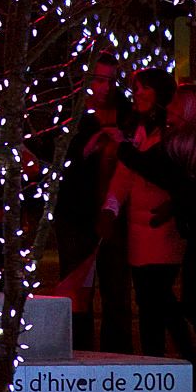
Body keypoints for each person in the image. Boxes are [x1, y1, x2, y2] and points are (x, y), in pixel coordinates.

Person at [116, 84, 196, 392]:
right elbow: (192, 188)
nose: (169, 107)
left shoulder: (184, 143)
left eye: (175, 103)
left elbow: (157, 169)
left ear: (188, 110)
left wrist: (122, 146)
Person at [100, 67, 193, 360]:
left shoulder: (172, 132)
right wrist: (110, 208)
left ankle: (187, 356)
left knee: (160, 297)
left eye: (144, 88)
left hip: (163, 227)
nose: (137, 93)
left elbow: (159, 170)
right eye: (135, 88)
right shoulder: (137, 130)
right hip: (139, 231)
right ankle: (155, 360)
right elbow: (124, 176)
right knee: (146, 299)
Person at [50, 55, 133, 351]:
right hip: (76, 213)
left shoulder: (127, 113)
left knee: (117, 290)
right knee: (76, 288)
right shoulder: (71, 115)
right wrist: (88, 148)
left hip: (116, 214)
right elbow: (56, 161)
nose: (106, 88)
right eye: (99, 80)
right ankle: (79, 349)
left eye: (111, 80)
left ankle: (118, 352)